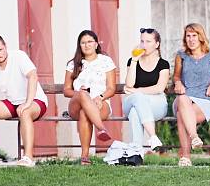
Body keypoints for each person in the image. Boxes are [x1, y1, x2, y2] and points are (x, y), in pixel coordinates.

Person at [0, 33, 49, 167]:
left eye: (0, 50)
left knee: (25, 112)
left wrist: (27, 103)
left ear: (5, 47)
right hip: (13, 105)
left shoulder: (19, 56)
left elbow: (33, 77)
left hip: (35, 102)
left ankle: (28, 158)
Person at [172, 23, 210, 167]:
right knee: (183, 99)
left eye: (194, 36)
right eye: (188, 36)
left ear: (200, 37)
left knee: (181, 116)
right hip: (185, 98)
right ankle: (194, 136)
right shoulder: (181, 56)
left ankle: (186, 157)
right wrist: (177, 83)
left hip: (205, 101)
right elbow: (176, 77)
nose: (191, 39)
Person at [64, 30, 117, 165]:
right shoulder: (73, 64)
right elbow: (66, 90)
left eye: (89, 42)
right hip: (76, 103)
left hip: (100, 103)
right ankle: (101, 129)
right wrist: (80, 94)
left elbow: (111, 88)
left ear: (96, 44)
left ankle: (84, 157)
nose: (86, 45)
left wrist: (100, 97)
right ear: (79, 45)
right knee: (83, 94)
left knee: (85, 113)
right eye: (83, 43)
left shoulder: (105, 61)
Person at [122, 28, 170, 153]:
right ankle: (153, 137)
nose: (144, 45)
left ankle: (136, 152)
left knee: (135, 111)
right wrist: (134, 60)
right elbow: (129, 84)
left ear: (157, 44)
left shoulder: (163, 64)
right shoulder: (132, 61)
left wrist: (137, 91)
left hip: (156, 104)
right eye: (142, 41)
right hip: (132, 101)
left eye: (148, 41)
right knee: (137, 100)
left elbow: (159, 88)